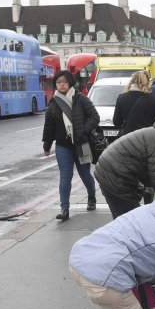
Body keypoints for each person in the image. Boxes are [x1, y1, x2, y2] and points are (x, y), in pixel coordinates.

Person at [42, 70, 101, 221]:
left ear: (70, 83)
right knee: (65, 177)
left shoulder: (81, 99)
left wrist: (83, 131)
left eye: (64, 82)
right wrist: (47, 145)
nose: (61, 85)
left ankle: (91, 196)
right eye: (58, 82)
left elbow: (95, 117)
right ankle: (64, 209)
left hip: (82, 143)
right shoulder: (54, 102)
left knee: (85, 174)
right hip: (63, 146)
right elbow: (49, 125)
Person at [113, 70, 155, 136]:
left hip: (127, 138)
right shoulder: (153, 99)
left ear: (132, 81)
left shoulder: (121, 98)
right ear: (147, 83)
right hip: (146, 137)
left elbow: (116, 122)